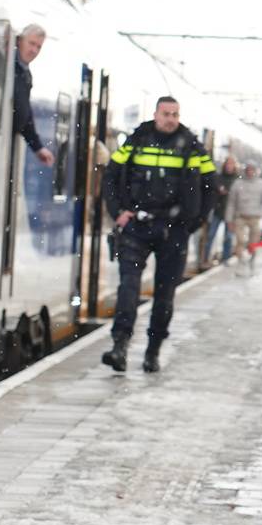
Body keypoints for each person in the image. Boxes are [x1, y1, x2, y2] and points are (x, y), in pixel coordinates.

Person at [101, 95, 215, 373]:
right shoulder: (137, 140)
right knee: (128, 287)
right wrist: (118, 212)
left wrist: (193, 222)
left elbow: (210, 186)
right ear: (155, 114)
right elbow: (111, 176)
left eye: (175, 114)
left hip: (173, 230)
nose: (170, 119)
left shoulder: (192, 147)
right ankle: (120, 346)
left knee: (165, 295)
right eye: (166, 114)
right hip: (136, 226)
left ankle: (153, 351)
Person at [12, 24, 54, 166]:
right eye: (31, 43)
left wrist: (38, 147)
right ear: (19, 40)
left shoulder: (25, 74)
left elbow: (25, 113)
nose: (34, 50)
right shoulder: (9, 67)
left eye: (38, 47)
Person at [225, 160, 262, 276]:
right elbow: (231, 202)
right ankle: (241, 263)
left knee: (253, 243)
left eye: (252, 169)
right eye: (248, 169)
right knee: (240, 241)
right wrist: (229, 219)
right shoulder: (237, 184)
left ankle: (251, 263)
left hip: (255, 218)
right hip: (240, 217)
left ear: (256, 171)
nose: (250, 172)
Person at [201, 156, 237, 267]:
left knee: (228, 237)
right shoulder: (218, 177)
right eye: (227, 164)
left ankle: (226, 259)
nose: (229, 166)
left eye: (231, 164)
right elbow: (212, 191)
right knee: (211, 235)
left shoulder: (237, 180)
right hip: (218, 210)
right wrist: (219, 191)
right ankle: (205, 258)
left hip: (230, 213)